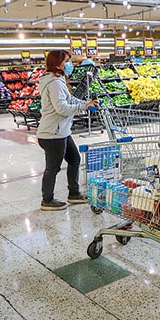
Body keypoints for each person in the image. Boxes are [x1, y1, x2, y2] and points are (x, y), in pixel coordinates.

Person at [36, 50, 99, 211]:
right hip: (52, 134)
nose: (70, 64)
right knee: (53, 167)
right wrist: (83, 107)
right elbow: (61, 108)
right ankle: (47, 200)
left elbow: (70, 100)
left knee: (74, 159)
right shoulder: (55, 83)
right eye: (67, 61)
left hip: (61, 131)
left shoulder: (58, 79)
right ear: (57, 64)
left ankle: (74, 193)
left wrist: (87, 103)